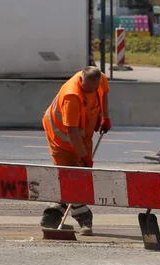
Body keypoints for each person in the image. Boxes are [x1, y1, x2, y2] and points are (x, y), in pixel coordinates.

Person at [40, 66, 111, 235]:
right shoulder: (72, 97)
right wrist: (84, 156)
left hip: (83, 134)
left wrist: (105, 116)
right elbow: (71, 132)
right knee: (72, 176)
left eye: (94, 88)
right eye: (88, 88)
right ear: (81, 81)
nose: (92, 91)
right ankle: (84, 218)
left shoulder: (99, 78)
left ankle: (51, 215)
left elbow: (104, 94)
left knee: (79, 175)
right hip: (61, 139)